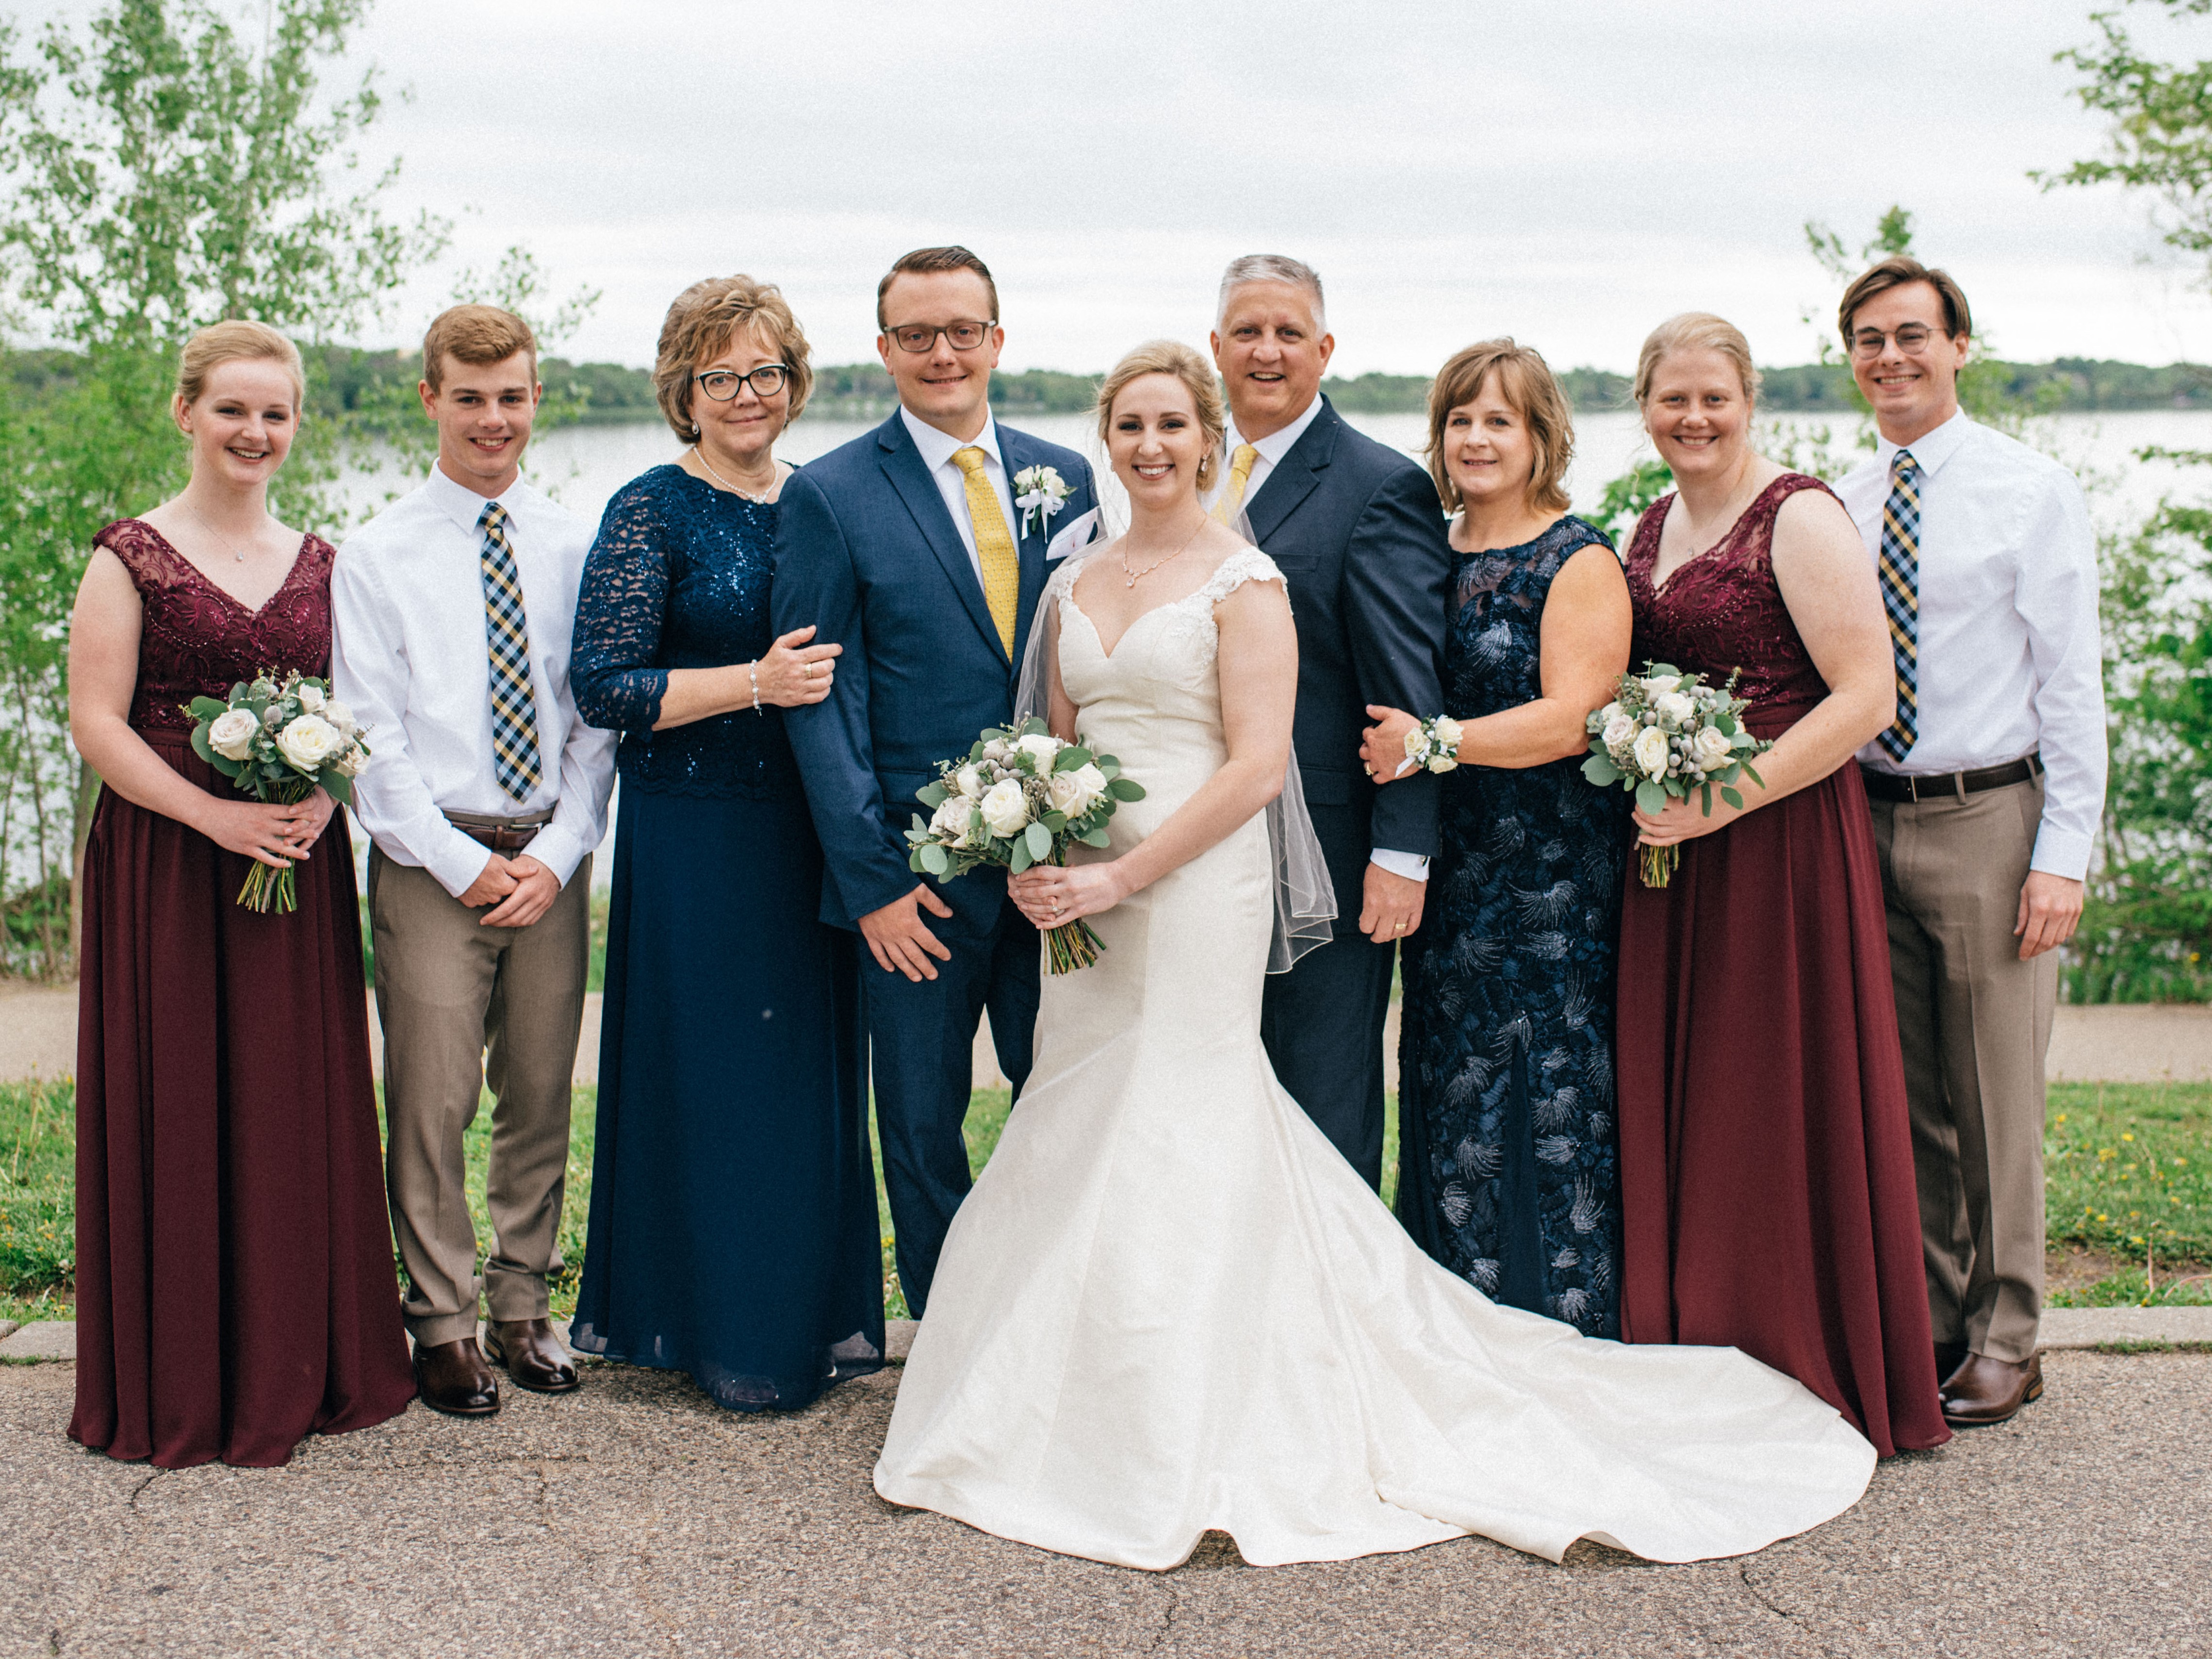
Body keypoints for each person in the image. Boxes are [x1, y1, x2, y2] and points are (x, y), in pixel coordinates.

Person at [871, 338, 1879, 1573]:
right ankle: (1067, 1390)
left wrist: (1133, 870)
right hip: (1091, 890)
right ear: (1107, 436)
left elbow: (1261, 763)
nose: (1150, 446)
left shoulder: (1250, 581)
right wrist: (1036, 839)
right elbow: (1050, 741)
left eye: (1171, 426)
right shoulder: (1072, 580)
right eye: (1128, 425)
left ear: (1204, 437)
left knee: (1188, 1107)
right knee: (1087, 1107)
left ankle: (1203, 1403)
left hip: (1202, 886)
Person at [67, 321, 415, 1467]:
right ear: (187, 414)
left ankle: (298, 1358)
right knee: (179, 1095)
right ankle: (181, 1374)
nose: (254, 432)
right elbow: (97, 725)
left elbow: (361, 709)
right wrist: (214, 815)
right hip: (169, 866)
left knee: (285, 1101)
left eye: (275, 414)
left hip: (293, 869)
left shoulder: (328, 562)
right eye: (232, 410)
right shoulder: (128, 557)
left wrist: (329, 792)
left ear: (296, 425)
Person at [1611, 313, 1950, 1457]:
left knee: (1770, 1086)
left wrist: (1724, 800)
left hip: (1779, 844)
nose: (1694, 418)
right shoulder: (1651, 522)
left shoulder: (1798, 515)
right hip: (1674, 855)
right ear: (1645, 405)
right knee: (1700, 1090)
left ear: (1748, 399)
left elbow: (1866, 698)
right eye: (1673, 400)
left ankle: (1798, 1342)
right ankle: (1700, 1330)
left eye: (1714, 398)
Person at [566, 276, 882, 1409]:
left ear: (793, 383)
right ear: (683, 392)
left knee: (802, 1087)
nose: (745, 394)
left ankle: (799, 1322)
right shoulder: (652, 506)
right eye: (719, 375)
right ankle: (706, 1331)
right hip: (697, 836)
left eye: (763, 371)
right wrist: (755, 683)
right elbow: (604, 683)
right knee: (711, 1084)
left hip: (813, 831)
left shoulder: (829, 499)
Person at [770, 246, 1097, 1315]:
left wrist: (1094, 845)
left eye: (963, 330)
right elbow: (822, 701)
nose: (942, 353)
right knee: (919, 1124)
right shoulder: (830, 494)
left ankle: (1056, 1321)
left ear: (999, 340)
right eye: (918, 335)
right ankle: (951, 1339)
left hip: (1057, 877)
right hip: (915, 882)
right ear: (884, 352)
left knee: (1070, 1104)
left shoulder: (1073, 478)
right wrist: (870, 884)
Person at [1833, 258, 2105, 1427]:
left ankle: (2011, 1334)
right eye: (1868, 341)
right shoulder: (1837, 498)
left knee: (1996, 1096)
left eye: (1911, 336)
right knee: (1911, 1101)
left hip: (1991, 817)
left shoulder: (2029, 490)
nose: (1890, 357)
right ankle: (1940, 1321)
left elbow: (2073, 683)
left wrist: (2064, 852)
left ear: (1958, 347)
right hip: (1864, 811)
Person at [331, 305, 617, 1416]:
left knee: (541, 1089)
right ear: (431, 401)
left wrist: (555, 853)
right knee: (435, 1095)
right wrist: (460, 866)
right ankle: (442, 1322)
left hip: (549, 855)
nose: (493, 418)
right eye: (470, 397)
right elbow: (373, 734)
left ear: (537, 400)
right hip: (430, 859)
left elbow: (594, 723)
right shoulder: (378, 553)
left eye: (513, 397)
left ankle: (520, 1305)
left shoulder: (573, 544)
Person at [1360, 341, 1633, 1336]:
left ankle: (1548, 1327)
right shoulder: (1424, 546)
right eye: (1460, 420)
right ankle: (1447, 1327)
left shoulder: (1578, 558)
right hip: (1446, 870)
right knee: (1442, 1082)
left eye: (1499, 421)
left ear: (1541, 436)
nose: (1476, 439)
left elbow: (1573, 718)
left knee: (1542, 1094)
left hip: (1545, 878)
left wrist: (1432, 743)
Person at [1205, 254, 1450, 1191]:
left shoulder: (1377, 486)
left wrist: (1402, 853)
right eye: (1249, 332)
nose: (1267, 352)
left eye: (1289, 333)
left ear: (1326, 349)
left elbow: (1407, 685)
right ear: (1217, 346)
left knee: (1324, 1086)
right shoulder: (1178, 471)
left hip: (1334, 850)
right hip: (1201, 847)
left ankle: (1331, 1315)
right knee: (1222, 1084)